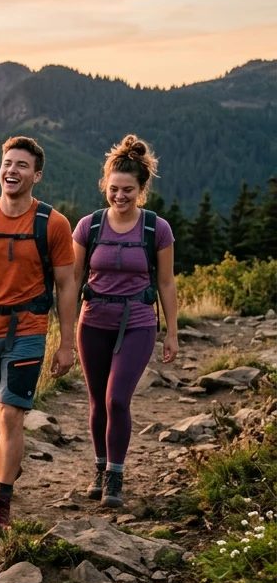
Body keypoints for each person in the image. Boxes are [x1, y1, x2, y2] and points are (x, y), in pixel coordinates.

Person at [0, 137, 78, 539]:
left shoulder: (53, 224)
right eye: (8, 163)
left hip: (28, 329)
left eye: (22, 165)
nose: (12, 171)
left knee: (10, 414)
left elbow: (67, 285)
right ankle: (8, 463)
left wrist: (67, 343)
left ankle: (0, 500)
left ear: (37, 175)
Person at [73, 135, 178, 508]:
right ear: (105, 185)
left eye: (128, 190)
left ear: (141, 189)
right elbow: (72, 279)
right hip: (93, 322)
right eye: (114, 189)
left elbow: (166, 282)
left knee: (117, 399)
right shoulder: (88, 226)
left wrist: (172, 332)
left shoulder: (156, 229)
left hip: (138, 322)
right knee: (97, 402)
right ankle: (100, 468)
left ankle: (115, 476)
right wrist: (64, 333)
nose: (120, 196)